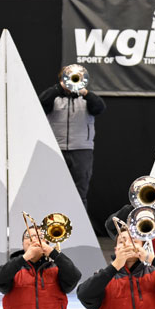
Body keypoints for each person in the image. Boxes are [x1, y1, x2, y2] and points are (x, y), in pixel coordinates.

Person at [38, 67, 106, 209]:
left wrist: (85, 93)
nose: (73, 80)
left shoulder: (87, 100)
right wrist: (59, 88)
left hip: (82, 151)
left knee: (80, 193)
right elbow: (41, 102)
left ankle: (80, 229)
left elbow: (100, 107)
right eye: (69, 77)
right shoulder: (53, 98)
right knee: (53, 191)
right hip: (57, 149)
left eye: (78, 77)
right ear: (62, 79)